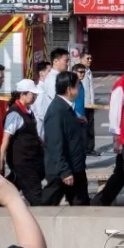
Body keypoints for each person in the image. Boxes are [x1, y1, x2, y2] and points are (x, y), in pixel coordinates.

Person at [93, 58, 124, 206]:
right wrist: (117, 140)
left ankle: (100, 201)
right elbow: (115, 115)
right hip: (123, 138)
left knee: (121, 174)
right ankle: (102, 201)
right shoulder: (121, 87)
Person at [42, 71, 90, 206]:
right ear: (69, 89)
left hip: (74, 167)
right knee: (48, 204)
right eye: (77, 86)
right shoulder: (56, 111)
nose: (79, 89)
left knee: (80, 204)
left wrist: (77, 121)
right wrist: (64, 171)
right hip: (64, 171)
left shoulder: (66, 107)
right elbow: (55, 143)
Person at [0, 79, 43, 206]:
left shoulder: (28, 111)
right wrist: (0, 159)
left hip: (31, 158)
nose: (34, 97)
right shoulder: (14, 114)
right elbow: (6, 137)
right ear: (22, 94)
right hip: (22, 160)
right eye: (32, 94)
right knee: (35, 193)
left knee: (15, 184)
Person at [32, 49, 69, 131]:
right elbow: (57, 100)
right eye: (65, 60)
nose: (67, 63)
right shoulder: (52, 79)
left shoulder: (58, 77)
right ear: (55, 61)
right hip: (54, 120)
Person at [78, 52, 98, 156]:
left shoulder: (89, 71)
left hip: (90, 104)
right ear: (81, 59)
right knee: (83, 127)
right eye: (87, 58)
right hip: (83, 105)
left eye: (91, 58)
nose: (90, 60)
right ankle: (84, 148)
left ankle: (90, 148)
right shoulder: (79, 71)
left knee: (90, 127)